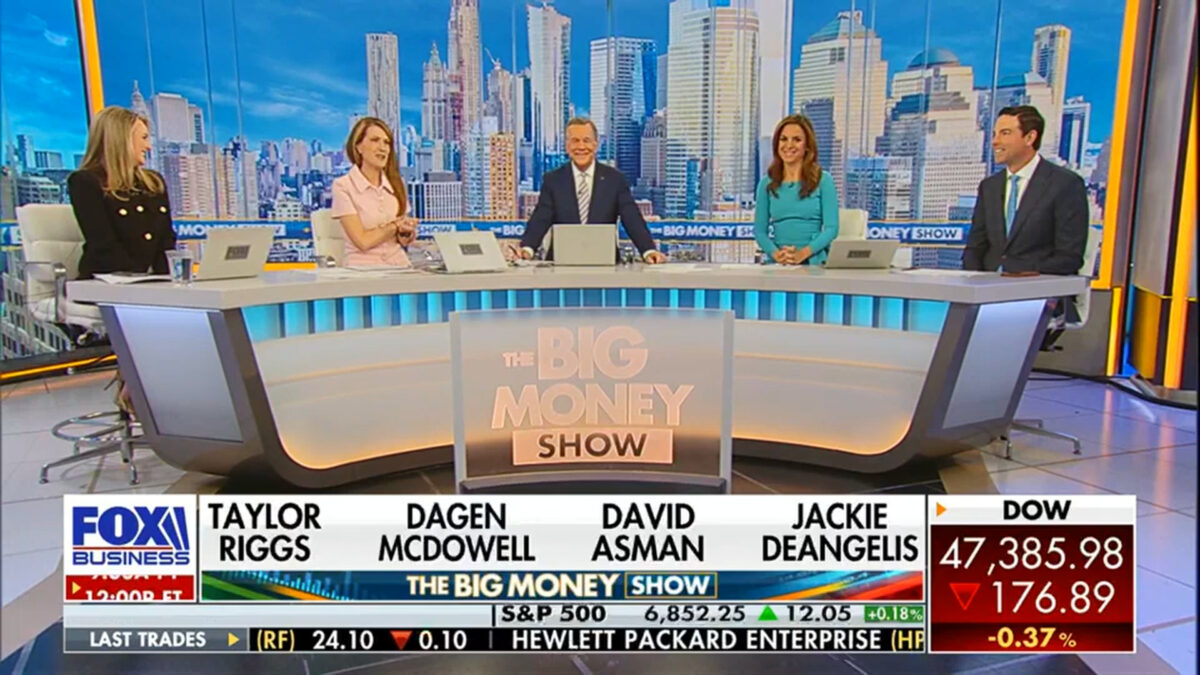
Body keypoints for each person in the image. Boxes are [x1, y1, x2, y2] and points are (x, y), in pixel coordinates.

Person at [517, 117, 665, 263]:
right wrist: (527, 249)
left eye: (586, 140)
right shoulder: (553, 180)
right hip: (561, 263)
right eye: (575, 141)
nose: (581, 147)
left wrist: (648, 250)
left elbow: (632, 218)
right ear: (567, 146)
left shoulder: (615, 179)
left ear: (595, 144)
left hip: (605, 262)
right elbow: (541, 218)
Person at [963, 105, 1088, 275]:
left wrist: (1018, 277)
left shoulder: (1065, 184)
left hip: (1038, 286)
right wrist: (973, 281)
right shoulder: (989, 187)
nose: (995, 141)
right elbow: (975, 248)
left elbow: (1069, 257)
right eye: (994, 134)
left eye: (1005, 133)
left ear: (1030, 137)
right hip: (987, 285)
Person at [69, 106, 175, 280]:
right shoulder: (85, 182)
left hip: (147, 282)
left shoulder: (154, 183)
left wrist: (168, 281)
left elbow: (166, 242)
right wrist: (142, 281)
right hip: (104, 282)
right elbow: (104, 246)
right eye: (143, 138)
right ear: (122, 139)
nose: (148, 146)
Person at [330, 117, 417, 267]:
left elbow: (402, 241)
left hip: (399, 265)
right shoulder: (343, 186)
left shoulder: (396, 184)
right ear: (358, 147)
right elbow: (363, 241)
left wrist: (406, 232)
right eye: (375, 140)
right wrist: (395, 226)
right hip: (362, 269)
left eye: (386, 142)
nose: (383, 148)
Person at [754, 115, 839, 265]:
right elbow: (760, 232)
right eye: (783, 139)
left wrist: (802, 254)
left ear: (807, 146)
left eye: (797, 140)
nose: (789, 145)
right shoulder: (766, 184)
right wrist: (776, 254)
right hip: (779, 262)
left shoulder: (824, 180)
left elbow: (831, 229)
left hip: (814, 261)